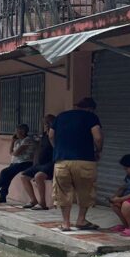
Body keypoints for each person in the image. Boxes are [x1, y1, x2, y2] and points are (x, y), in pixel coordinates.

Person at [49, 97, 103, 231]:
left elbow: (50, 135)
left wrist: (57, 149)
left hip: (62, 161)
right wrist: (98, 150)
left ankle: (66, 223)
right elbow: (97, 137)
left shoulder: (61, 117)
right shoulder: (91, 117)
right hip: (85, 160)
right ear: (91, 108)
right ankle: (81, 220)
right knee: (85, 190)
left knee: (63, 192)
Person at [0, 124, 35, 204]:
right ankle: (2, 197)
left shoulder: (27, 140)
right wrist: (13, 141)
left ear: (23, 131)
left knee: (4, 172)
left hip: (25, 163)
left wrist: (14, 152)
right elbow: (10, 152)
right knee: (7, 177)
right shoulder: (17, 141)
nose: (15, 133)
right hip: (15, 163)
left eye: (17, 131)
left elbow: (16, 153)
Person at [18, 114, 56, 210]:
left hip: (51, 163)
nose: (46, 125)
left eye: (48, 123)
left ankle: (42, 203)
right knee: (24, 176)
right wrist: (35, 163)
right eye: (45, 123)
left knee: (38, 176)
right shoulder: (43, 135)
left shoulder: (55, 134)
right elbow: (38, 149)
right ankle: (33, 200)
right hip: (40, 164)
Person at [108, 154, 130, 237]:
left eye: (126, 168)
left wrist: (121, 199)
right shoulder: (129, 176)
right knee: (115, 204)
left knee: (126, 205)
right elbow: (124, 188)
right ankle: (126, 226)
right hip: (129, 198)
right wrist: (115, 197)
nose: (125, 170)